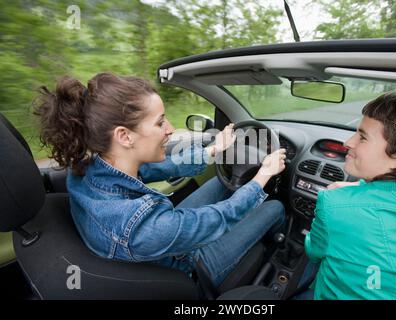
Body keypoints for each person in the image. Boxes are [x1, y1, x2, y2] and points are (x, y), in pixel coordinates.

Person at [34, 72, 286, 288]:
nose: (171, 128)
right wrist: (263, 175)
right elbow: (218, 218)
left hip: (162, 246)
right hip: (190, 267)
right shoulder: (137, 227)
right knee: (274, 207)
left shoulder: (89, 171)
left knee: (222, 183)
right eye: (160, 121)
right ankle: (282, 255)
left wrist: (212, 150)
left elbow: (161, 167)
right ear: (124, 136)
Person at [303, 89, 396, 299]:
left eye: (362, 137)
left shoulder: (335, 205)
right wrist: (363, 190)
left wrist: (352, 198)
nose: (348, 143)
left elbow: (314, 251)